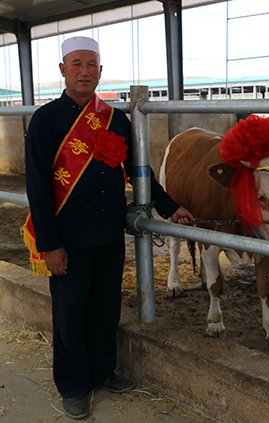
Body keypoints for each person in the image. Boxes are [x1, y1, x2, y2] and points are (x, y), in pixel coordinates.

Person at [23, 36, 194, 420]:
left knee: (105, 308)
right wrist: (50, 244)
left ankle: (103, 372)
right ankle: (74, 386)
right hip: (67, 238)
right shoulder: (46, 120)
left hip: (108, 232)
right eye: (77, 63)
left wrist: (170, 207)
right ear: (63, 70)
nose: (85, 71)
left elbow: (139, 171)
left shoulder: (116, 118)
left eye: (92, 64)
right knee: (69, 313)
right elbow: (37, 185)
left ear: (101, 70)